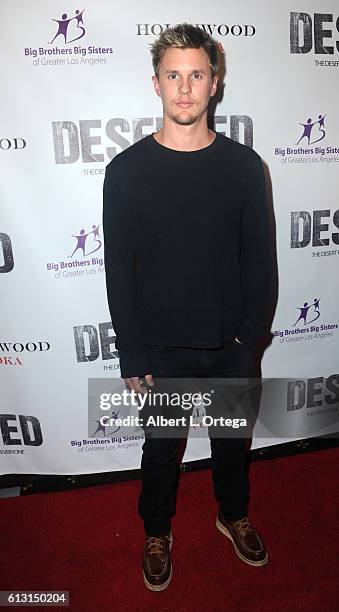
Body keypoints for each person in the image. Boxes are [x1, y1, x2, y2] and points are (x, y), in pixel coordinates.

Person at [103, 23, 272, 591]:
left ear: (214, 82)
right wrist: (132, 352)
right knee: (162, 449)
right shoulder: (124, 173)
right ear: (156, 84)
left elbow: (261, 265)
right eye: (173, 75)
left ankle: (233, 514)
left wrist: (249, 342)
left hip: (230, 346)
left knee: (232, 442)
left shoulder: (247, 169)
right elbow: (118, 273)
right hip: (164, 351)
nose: (184, 88)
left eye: (196, 75)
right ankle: (157, 529)